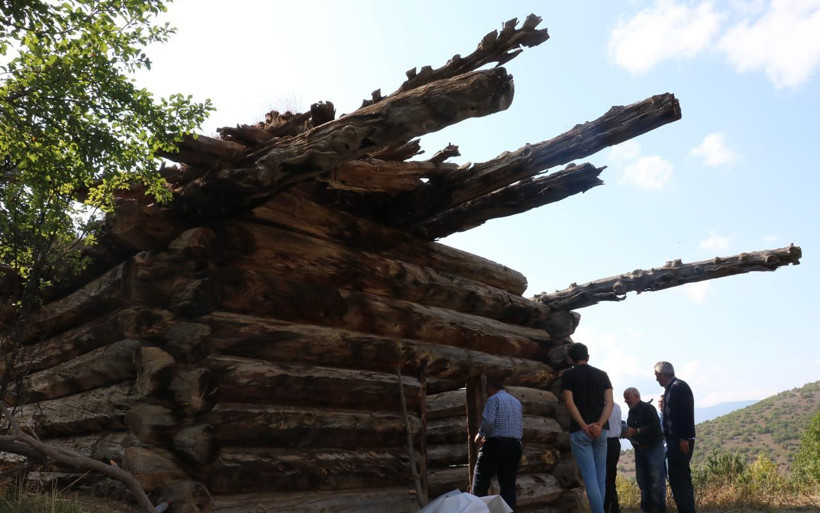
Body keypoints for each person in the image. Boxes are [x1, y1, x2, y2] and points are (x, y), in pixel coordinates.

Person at [561, 342, 614, 513]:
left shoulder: (568, 375)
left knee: (589, 477)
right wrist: (599, 424)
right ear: (588, 357)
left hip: (580, 431)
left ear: (570, 359)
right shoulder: (602, 375)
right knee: (600, 477)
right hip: (601, 430)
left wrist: (584, 426)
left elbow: (569, 403)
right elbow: (610, 403)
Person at [472, 380, 523, 511]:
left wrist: (480, 435)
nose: (486, 394)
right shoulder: (516, 402)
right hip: (515, 445)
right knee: (508, 485)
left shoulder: (493, 399)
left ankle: (477, 510)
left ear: (491, 388)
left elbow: (488, 421)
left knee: (480, 480)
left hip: (496, 444)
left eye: (487, 391)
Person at [654, 361, 696, 513]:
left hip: (679, 441)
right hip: (675, 440)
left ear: (662, 374)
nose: (656, 379)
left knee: (679, 478)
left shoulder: (678, 387)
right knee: (678, 478)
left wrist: (684, 438)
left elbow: (686, 413)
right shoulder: (671, 388)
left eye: (657, 375)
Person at [623, 387, 666, 513]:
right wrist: (627, 433)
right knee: (642, 481)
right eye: (625, 398)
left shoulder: (648, 408)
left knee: (656, 481)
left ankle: (659, 509)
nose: (625, 401)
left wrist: (636, 431)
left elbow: (655, 427)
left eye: (628, 398)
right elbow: (632, 429)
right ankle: (647, 509)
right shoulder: (631, 412)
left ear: (636, 396)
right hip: (640, 450)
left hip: (653, 448)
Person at [604, 401, 623, 513]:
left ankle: (607, 507)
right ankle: (614, 507)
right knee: (611, 477)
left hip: (606, 443)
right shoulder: (616, 406)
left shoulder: (603, 406)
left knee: (605, 478)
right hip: (615, 442)